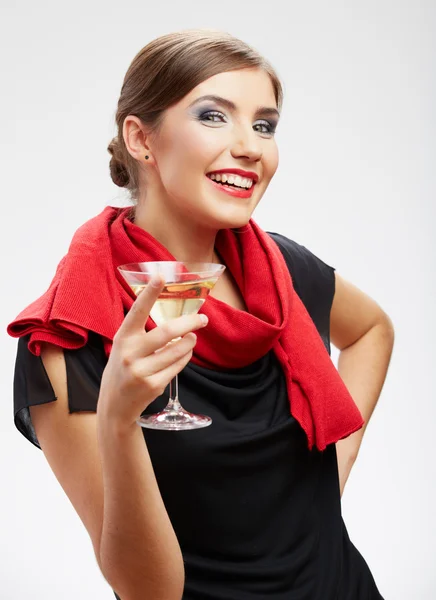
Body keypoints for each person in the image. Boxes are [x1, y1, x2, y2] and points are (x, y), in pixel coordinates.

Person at [7, 29, 394, 600]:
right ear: (141, 138)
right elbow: (147, 591)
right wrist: (118, 417)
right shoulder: (71, 335)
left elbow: (371, 330)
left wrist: (332, 468)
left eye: (265, 125)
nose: (251, 146)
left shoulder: (281, 270)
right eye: (214, 116)